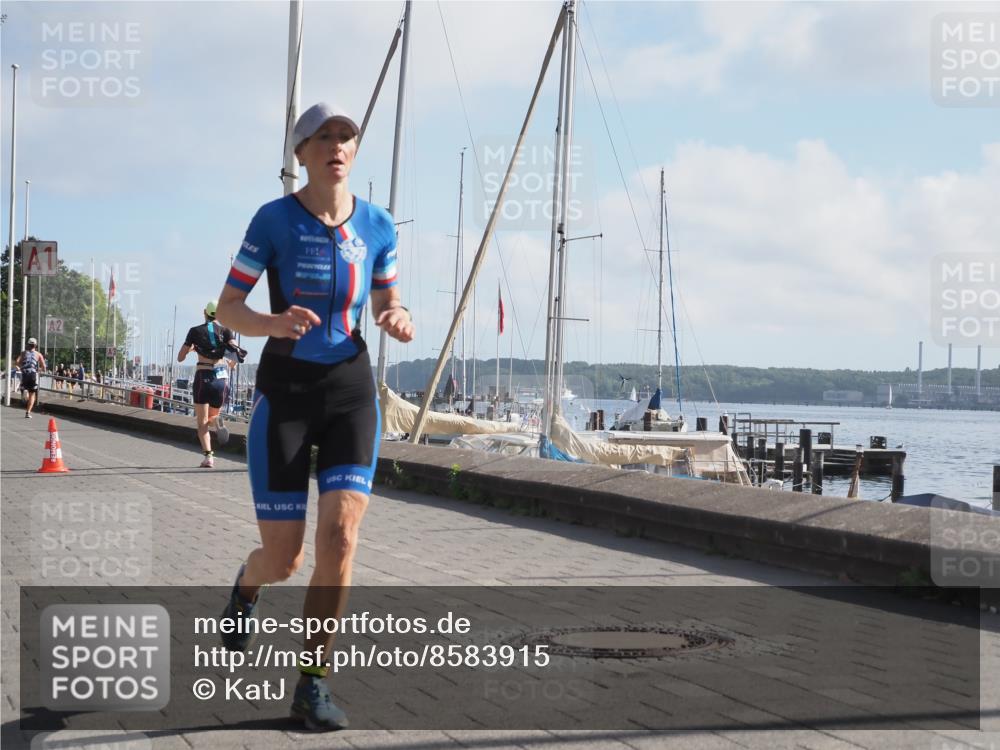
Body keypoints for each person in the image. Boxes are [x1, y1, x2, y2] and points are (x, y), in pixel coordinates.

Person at [215, 102, 414, 731]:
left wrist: (396, 314)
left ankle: (312, 683)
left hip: (350, 390)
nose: (336, 145)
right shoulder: (273, 220)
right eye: (323, 137)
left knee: (342, 539)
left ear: (355, 149)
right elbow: (227, 308)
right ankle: (247, 586)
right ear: (300, 153)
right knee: (286, 560)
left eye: (346, 136)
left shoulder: (378, 224)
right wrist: (272, 323)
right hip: (287, 394)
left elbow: (386, 296)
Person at [177, 301, 245, 468]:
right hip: (221, 380)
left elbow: (180, 357)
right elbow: (236, 355)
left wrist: (191, 349)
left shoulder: (195, 331)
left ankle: (208, 457)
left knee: (202, 423)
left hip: (203, 377)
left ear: (204, 312)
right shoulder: (226, 331)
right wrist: (231, 364)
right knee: (212, 417)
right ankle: (217, 421)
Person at [15, 338, 46, 418]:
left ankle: (24, 391)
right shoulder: (38, 354)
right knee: (32, 394)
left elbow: (17, 362)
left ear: (28, 345)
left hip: (24, 373)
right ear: (35, 345)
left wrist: (19, 367)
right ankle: (28, 413)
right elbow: (44, 366)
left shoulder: (23, 353)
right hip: (32, 374)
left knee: (25, 387)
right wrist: (39, 370)